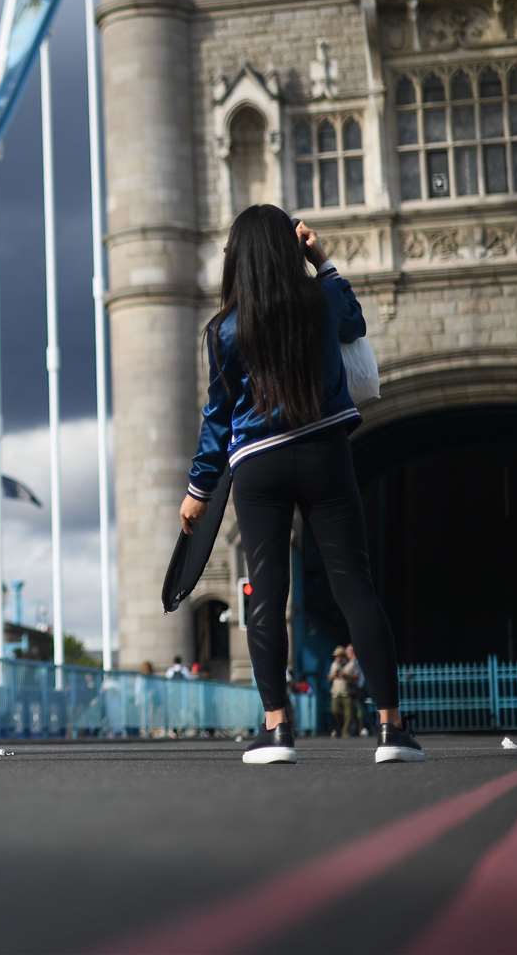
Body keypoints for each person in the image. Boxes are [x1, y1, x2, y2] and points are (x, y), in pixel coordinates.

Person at [180, 206, 422, 765]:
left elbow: (217, 419)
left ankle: (277, 730)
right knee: (354, 586)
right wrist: (322, 260)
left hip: (258, 467)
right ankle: (391, 730)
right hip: (324, 452)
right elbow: (354, 324)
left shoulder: (223, 330)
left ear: (237, 259)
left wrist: (197, 490)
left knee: (266, 595)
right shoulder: (320, 302)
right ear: (290, 250)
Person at [328, 646, 358, 740]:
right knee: (334, 711)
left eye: (340, 656)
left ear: (343, 656)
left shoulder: (350, 664)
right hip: (336, 693)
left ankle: (345, 731)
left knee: (348, 714)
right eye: (336, 656)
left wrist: (345, 675)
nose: (338, 658)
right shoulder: (334, 665)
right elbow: (329, 678)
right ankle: (338, 728)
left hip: (347, 692)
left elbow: (356, 678)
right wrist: (333, 675)